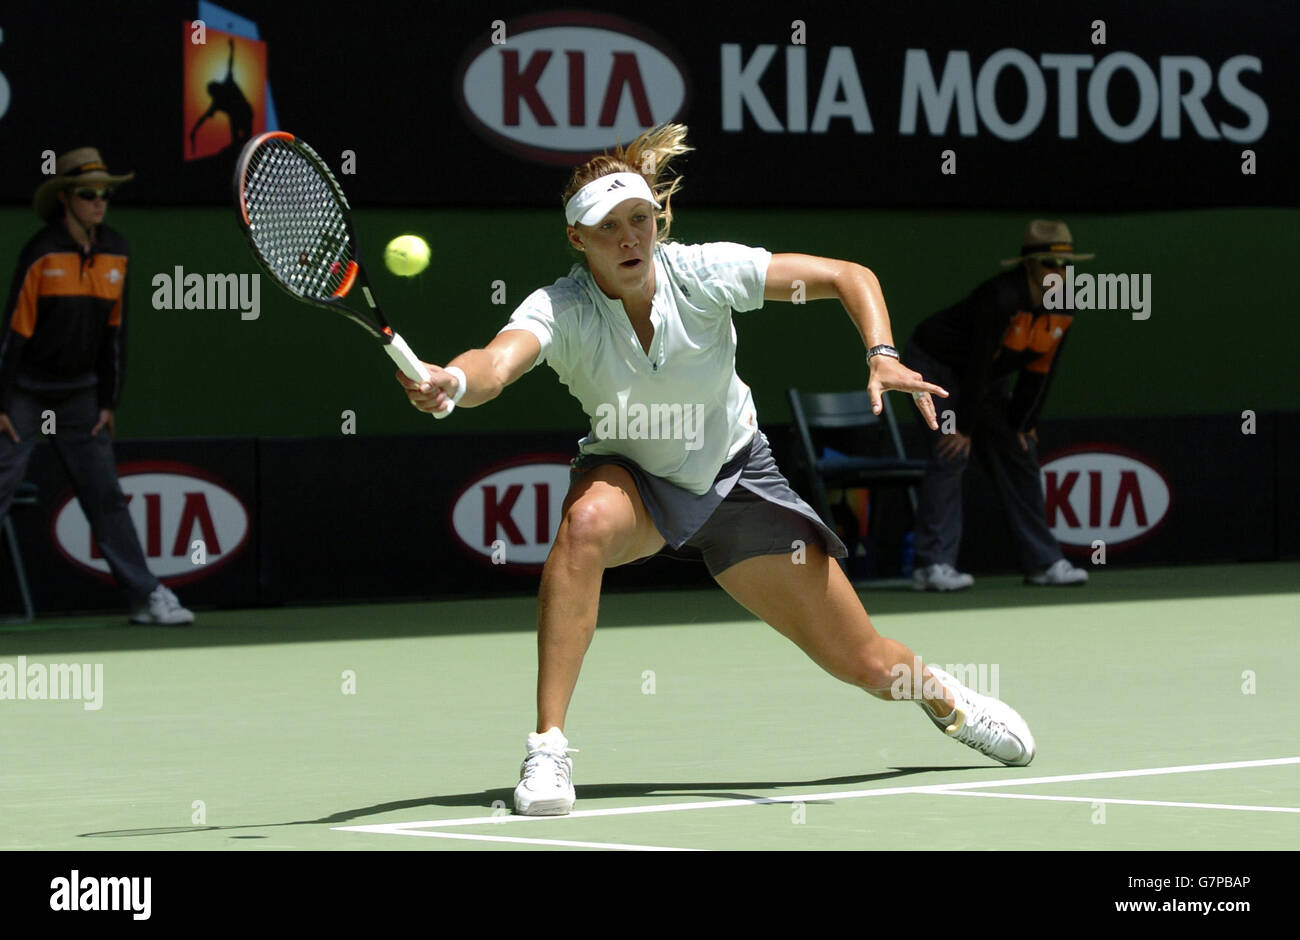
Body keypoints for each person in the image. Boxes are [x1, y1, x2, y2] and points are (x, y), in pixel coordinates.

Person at [399, 124, 1035, 816]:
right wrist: (454, 383)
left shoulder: (702, 273)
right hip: (636, 481)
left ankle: (949, 699)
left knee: (870, 665)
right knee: (585, 523)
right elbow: (496, 361)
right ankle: (548, 749)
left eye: (639, 220)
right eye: (607, 228)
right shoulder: (562, 307)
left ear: (657, 220)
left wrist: (880, 351)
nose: (629, 239)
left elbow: (848, 277)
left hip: (738, 480)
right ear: (577, 241)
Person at [0, 148, 194, 625]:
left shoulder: (117, 251)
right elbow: (13, 333)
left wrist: (107, 401)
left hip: (81, 397)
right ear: (66, 198)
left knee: (104, 493)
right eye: (88, 194)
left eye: (105, 194)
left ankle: (147, 597)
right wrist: (2, 401)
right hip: (24, 393)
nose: (99, 202)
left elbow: (114, 333)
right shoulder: (41, 253)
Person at [903, 220, 1092, 591]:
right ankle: (932, 567)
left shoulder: (1065, 305)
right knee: (950, 450)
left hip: (984, 379)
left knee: (1021, 451)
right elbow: (978, 363)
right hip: (933, 366)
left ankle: (1044, 562)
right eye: (1050, 265)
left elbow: (1041, 371)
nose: (1059, 273)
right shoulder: (1000, 298)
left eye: (1066, 266)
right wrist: (964, 429)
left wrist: (1024, 422)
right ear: (1029, 266)